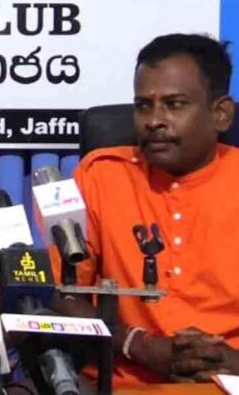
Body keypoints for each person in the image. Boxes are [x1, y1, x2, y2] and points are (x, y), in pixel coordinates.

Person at [52, 33, 239, 386]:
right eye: (143, 105)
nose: (154, 120)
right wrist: (140, 345)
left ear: (221, 114)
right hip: (120, 383)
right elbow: (60, 295)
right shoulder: (101, 175)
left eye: (174, 104)